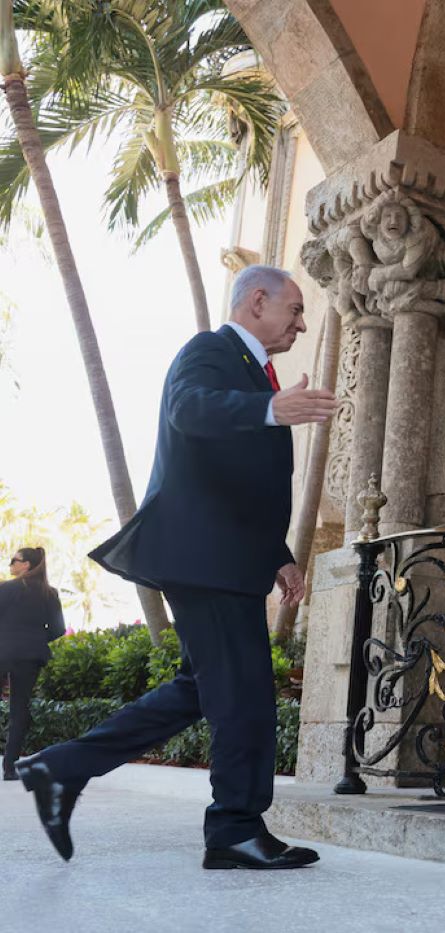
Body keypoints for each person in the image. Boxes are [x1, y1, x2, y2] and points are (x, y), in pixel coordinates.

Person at [15, 265, 338, 869]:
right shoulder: (210, 351)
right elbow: (190, 409)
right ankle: (235, 829)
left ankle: (61, 768)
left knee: (202, 689)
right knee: (244, 695)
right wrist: (271, 407)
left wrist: (278, 555)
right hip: (206, 560)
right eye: (295, 310)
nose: (300, 323)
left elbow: (238, 481)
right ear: (257, 301)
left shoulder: (254, 373)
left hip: (224, 558)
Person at [0, 547, 66, 781]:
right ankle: (10, 768)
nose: (10, 564)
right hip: (30, 656)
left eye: (14, 560)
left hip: (2, 651)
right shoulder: (50, 593)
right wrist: (36, 639)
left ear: (26, 564)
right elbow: (58, 629)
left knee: (19, 710)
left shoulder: (5, 589)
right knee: (19, 710)